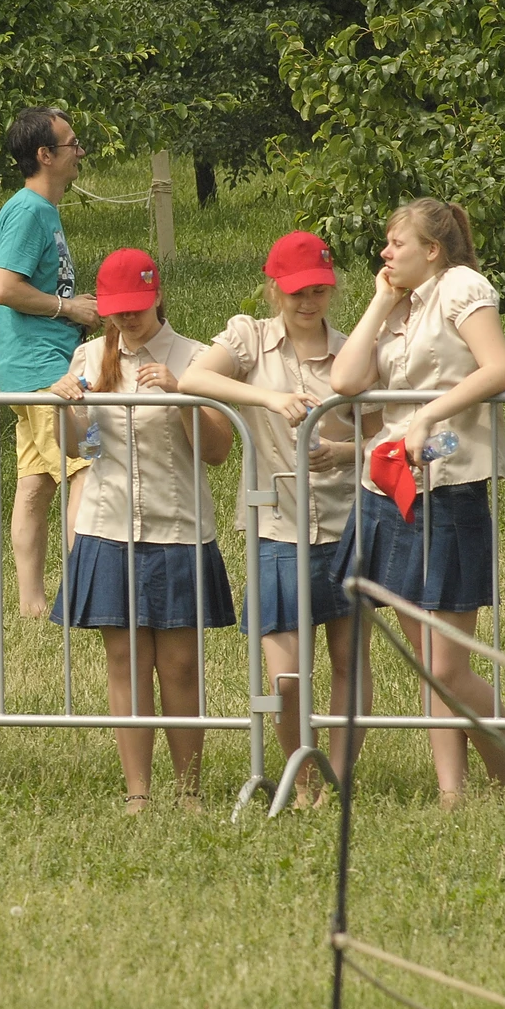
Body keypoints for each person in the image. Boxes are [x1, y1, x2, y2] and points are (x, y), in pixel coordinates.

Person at [330, 198, 505, 807]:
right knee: (426, 661)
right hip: (389, 492)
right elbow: (345, 381)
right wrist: (379, 301)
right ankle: (451, 794)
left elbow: (500, 368)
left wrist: (427, 415)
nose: (384, 254)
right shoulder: (400, 302)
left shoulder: (462, 286)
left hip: (451, 490)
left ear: (432, 251)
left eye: (397, 243)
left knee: (445, 667)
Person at [178, 231, 366, 808]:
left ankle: (336, 781)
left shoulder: (353, 352)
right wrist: (267, 399)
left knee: (348, 662)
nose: (308, 302)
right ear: (273, 290)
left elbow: (387, 434)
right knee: (285, 678)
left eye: (318, 291)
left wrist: (342, 452)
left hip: (346, 523)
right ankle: (298, 778)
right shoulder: (250, 338)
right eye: (296, 291)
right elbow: (193, 379)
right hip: (277, 526)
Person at [48, 249, 235, 813]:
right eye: (117, 309)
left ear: (158, 297)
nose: (127, 318)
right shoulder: (88, 356)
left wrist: (183, 395)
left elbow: (218, 451)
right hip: (107, 528)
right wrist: (65, 408)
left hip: (178, 529)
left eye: (137, 306)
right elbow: (79, 449)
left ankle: (189, 791)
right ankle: (138, 792)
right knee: (125, 664)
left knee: (180, 666)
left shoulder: (196, 358)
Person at [0, 106, 97, 616]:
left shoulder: (40, 210)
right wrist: (69, 308)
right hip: (46, 373)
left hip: (33, 370)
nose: (81, 151)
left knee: (35, 483)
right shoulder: (30, 211)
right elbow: (5, 288)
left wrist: (78, 310)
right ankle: (85, 596)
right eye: (72, 143)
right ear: (45, 155)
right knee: (88, 470)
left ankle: (31, 605)